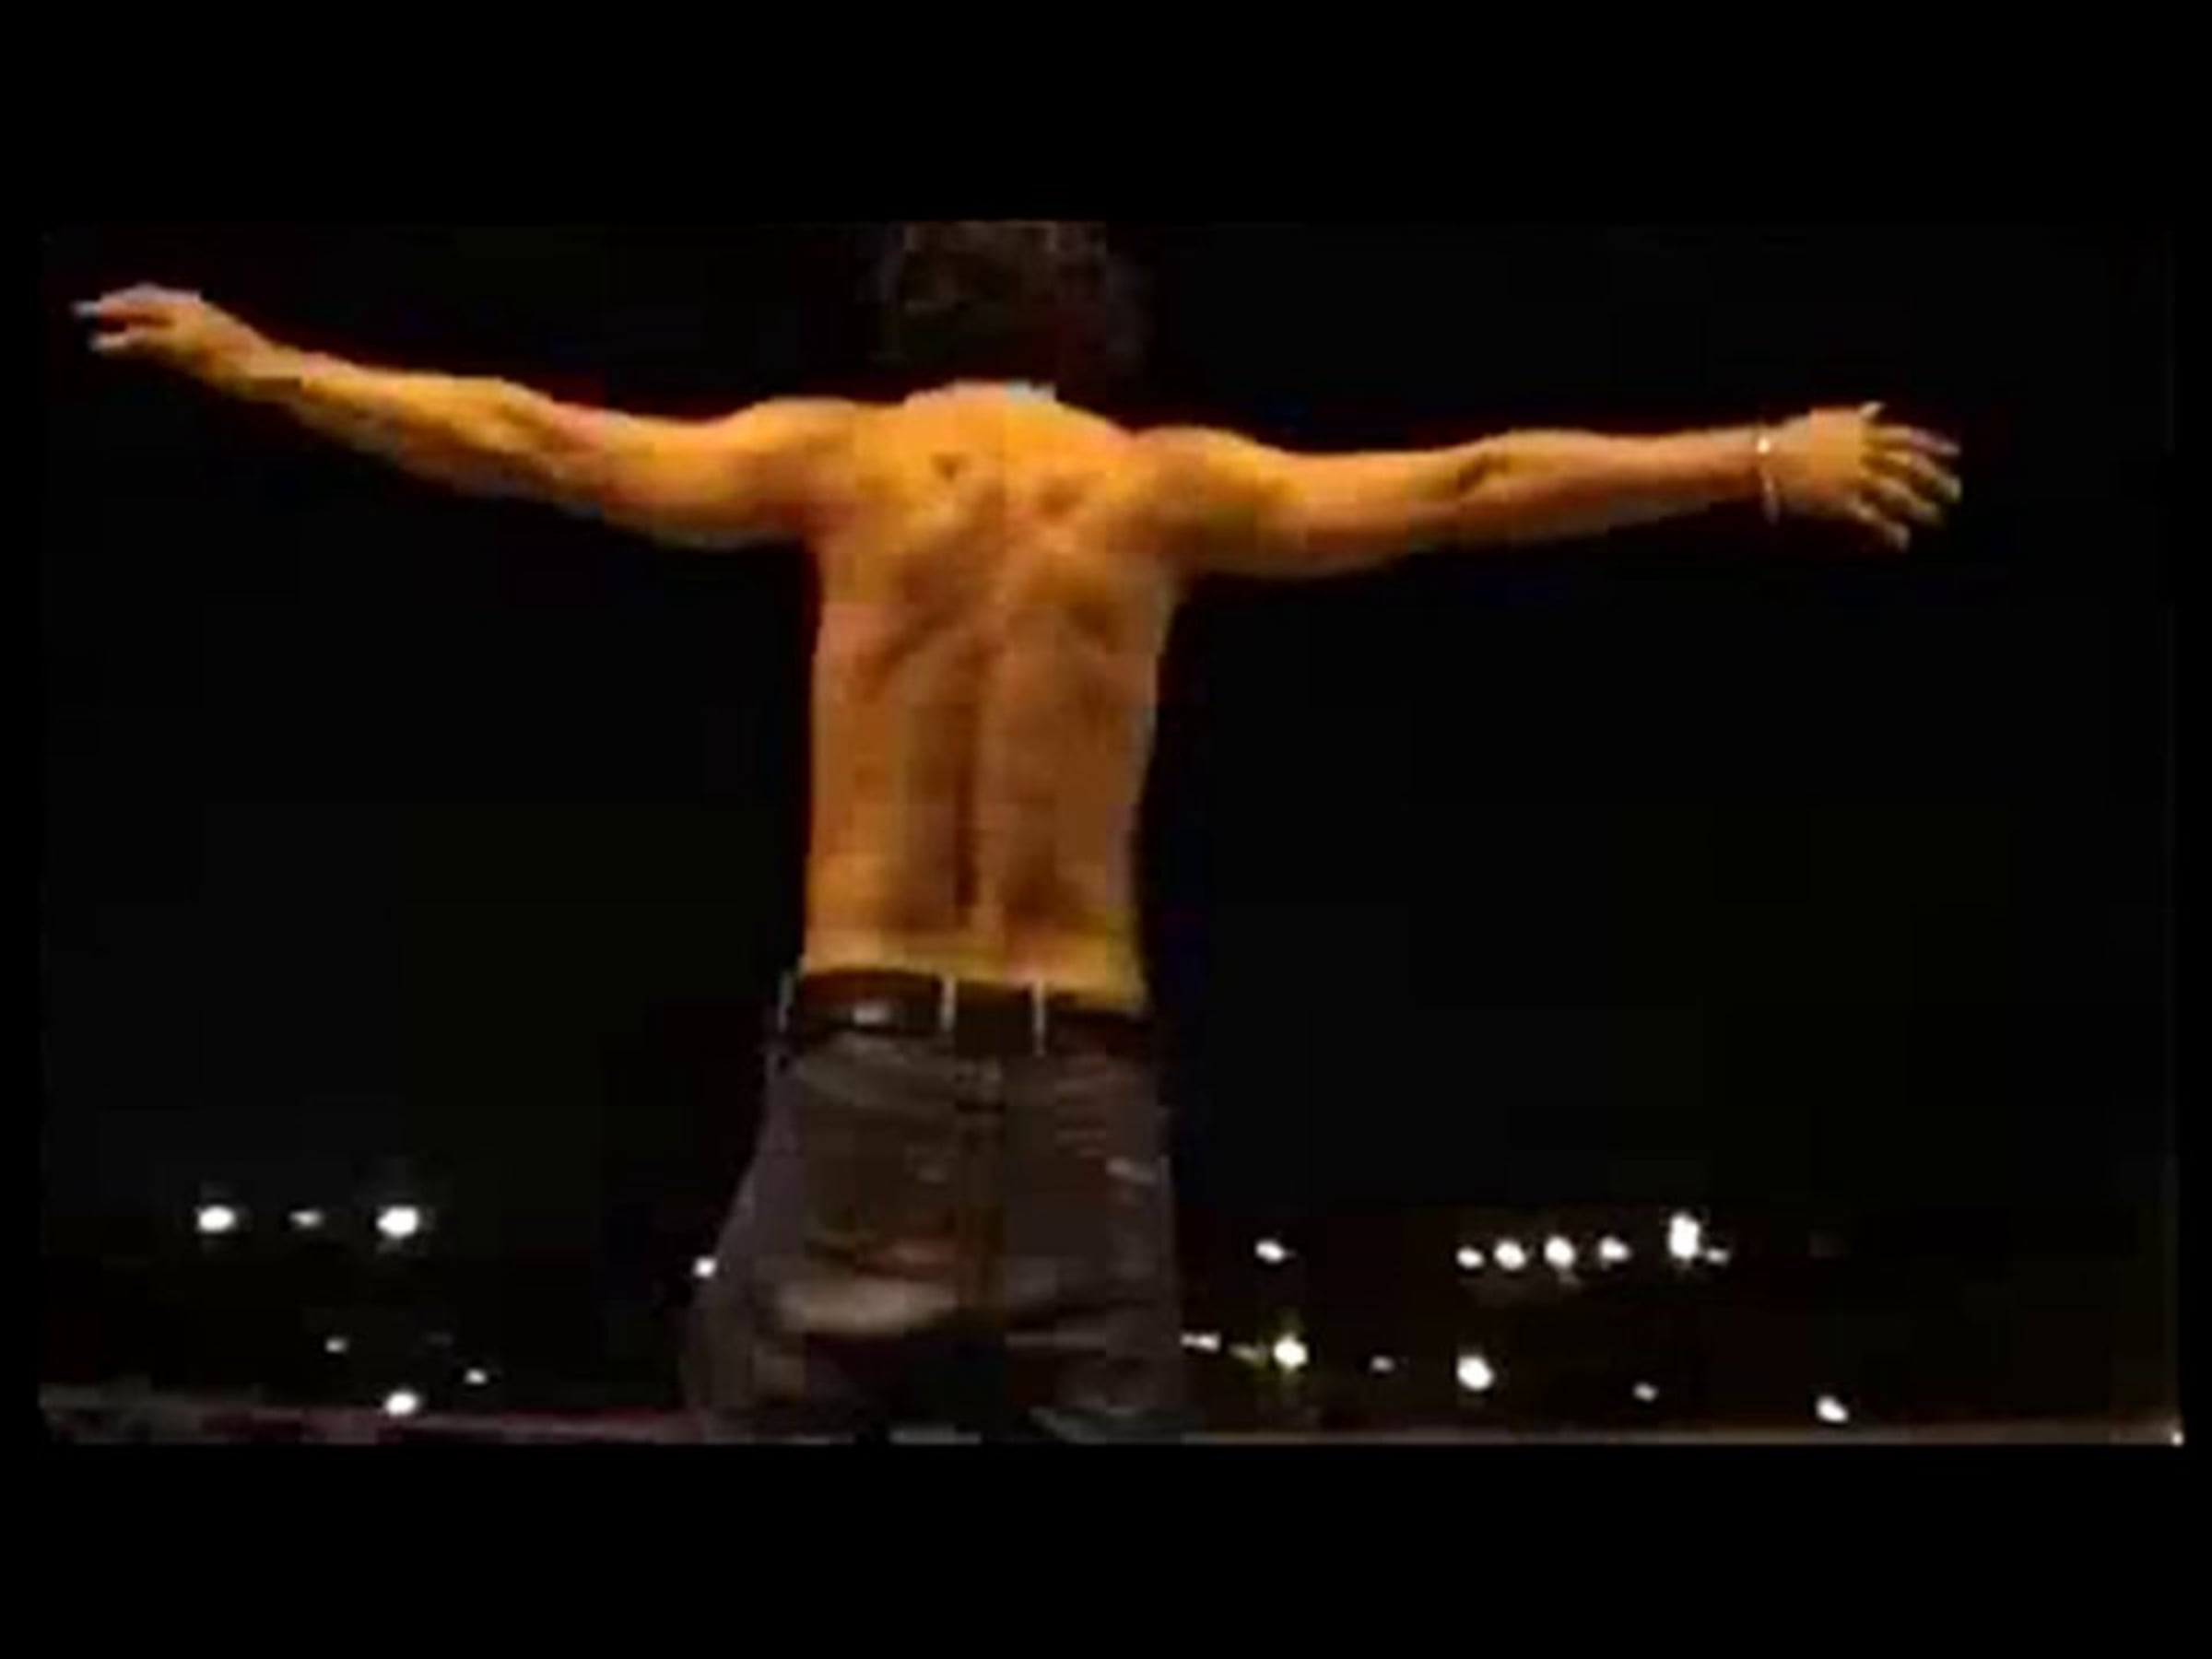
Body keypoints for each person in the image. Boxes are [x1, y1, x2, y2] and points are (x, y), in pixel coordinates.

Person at [77, 222, 1962, 1441]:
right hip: (1086, 1076)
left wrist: (261, 360)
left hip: (864, 1051)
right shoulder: (1161, 488)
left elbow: (532, 438)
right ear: (1097, 333)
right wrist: (1756, 457)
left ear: (912, 325)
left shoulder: (838, 460)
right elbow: (1475, 482)